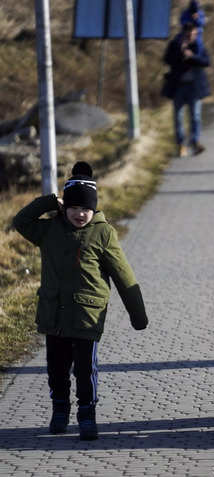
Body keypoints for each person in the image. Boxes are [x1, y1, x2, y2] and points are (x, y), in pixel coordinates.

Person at [12, 162, 148, 441]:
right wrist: (50, 200)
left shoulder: (103, 233)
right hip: (54, 315)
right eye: (74, 208)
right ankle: (59, 410)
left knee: (85, 371)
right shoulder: (48, 230)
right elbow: (21, 222)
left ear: (94, 209)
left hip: (87, 315)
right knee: (56, 369)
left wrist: (138, 314)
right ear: (65, 208)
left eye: (86, 209)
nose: (80, 214)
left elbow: (123, 274)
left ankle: (87, 414)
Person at [162, 22, 211, 157]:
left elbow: (207, 62)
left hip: (194, 87)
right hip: (178, 86)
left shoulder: (199, 46)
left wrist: (192, 56)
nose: (191, 36)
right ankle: (181, 144)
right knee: (178, 117)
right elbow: (166, 60)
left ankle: (195, 143)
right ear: (183, 33)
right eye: (188, 34)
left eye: (194, 34)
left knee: (195, 116)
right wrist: (180, 52)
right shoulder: (174, 45)